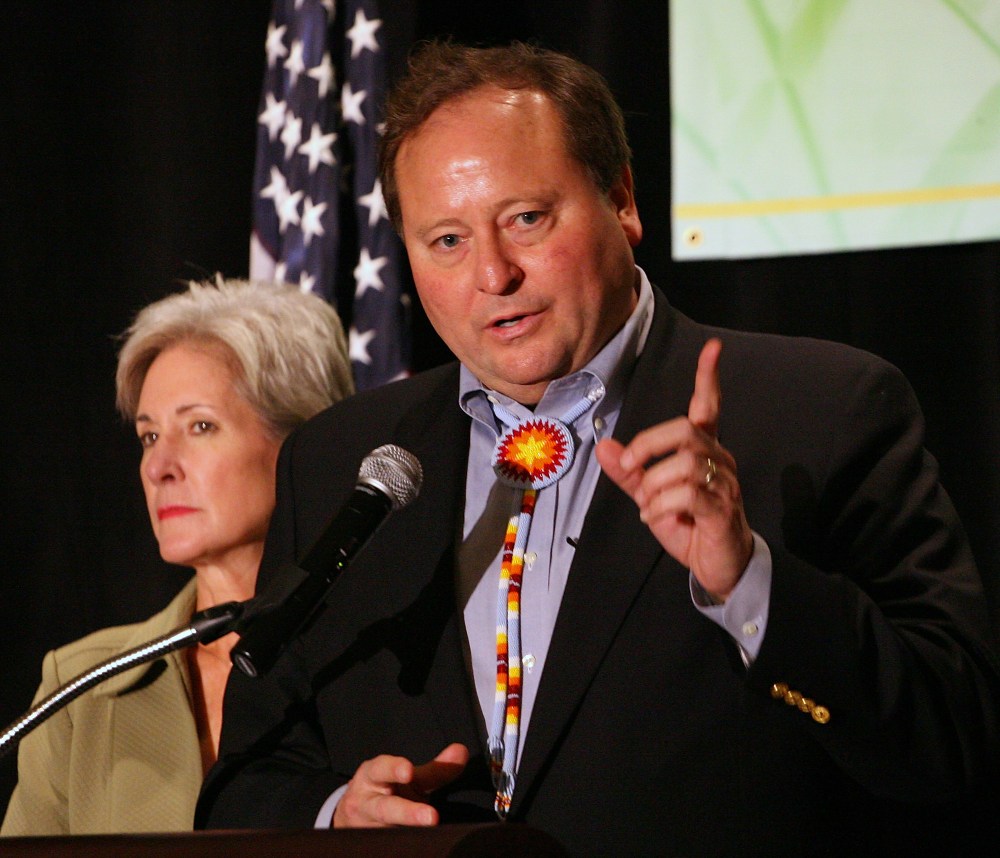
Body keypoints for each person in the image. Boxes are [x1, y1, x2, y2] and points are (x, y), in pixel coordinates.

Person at [197, 43, 1000, 855]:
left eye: (526, 219)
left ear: (621, 200)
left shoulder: (821, 413)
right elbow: (246, 778)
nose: (493, 274)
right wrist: (336, 812)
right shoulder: (343, 461)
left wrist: (749, 583)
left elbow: (955, 739)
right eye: (446, 240)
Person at [1, 278, 353, 836]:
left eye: (200, 426)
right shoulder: (83, 687)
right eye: (148, 436)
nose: (158, 466)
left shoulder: (385, 657)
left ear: (301, 443)